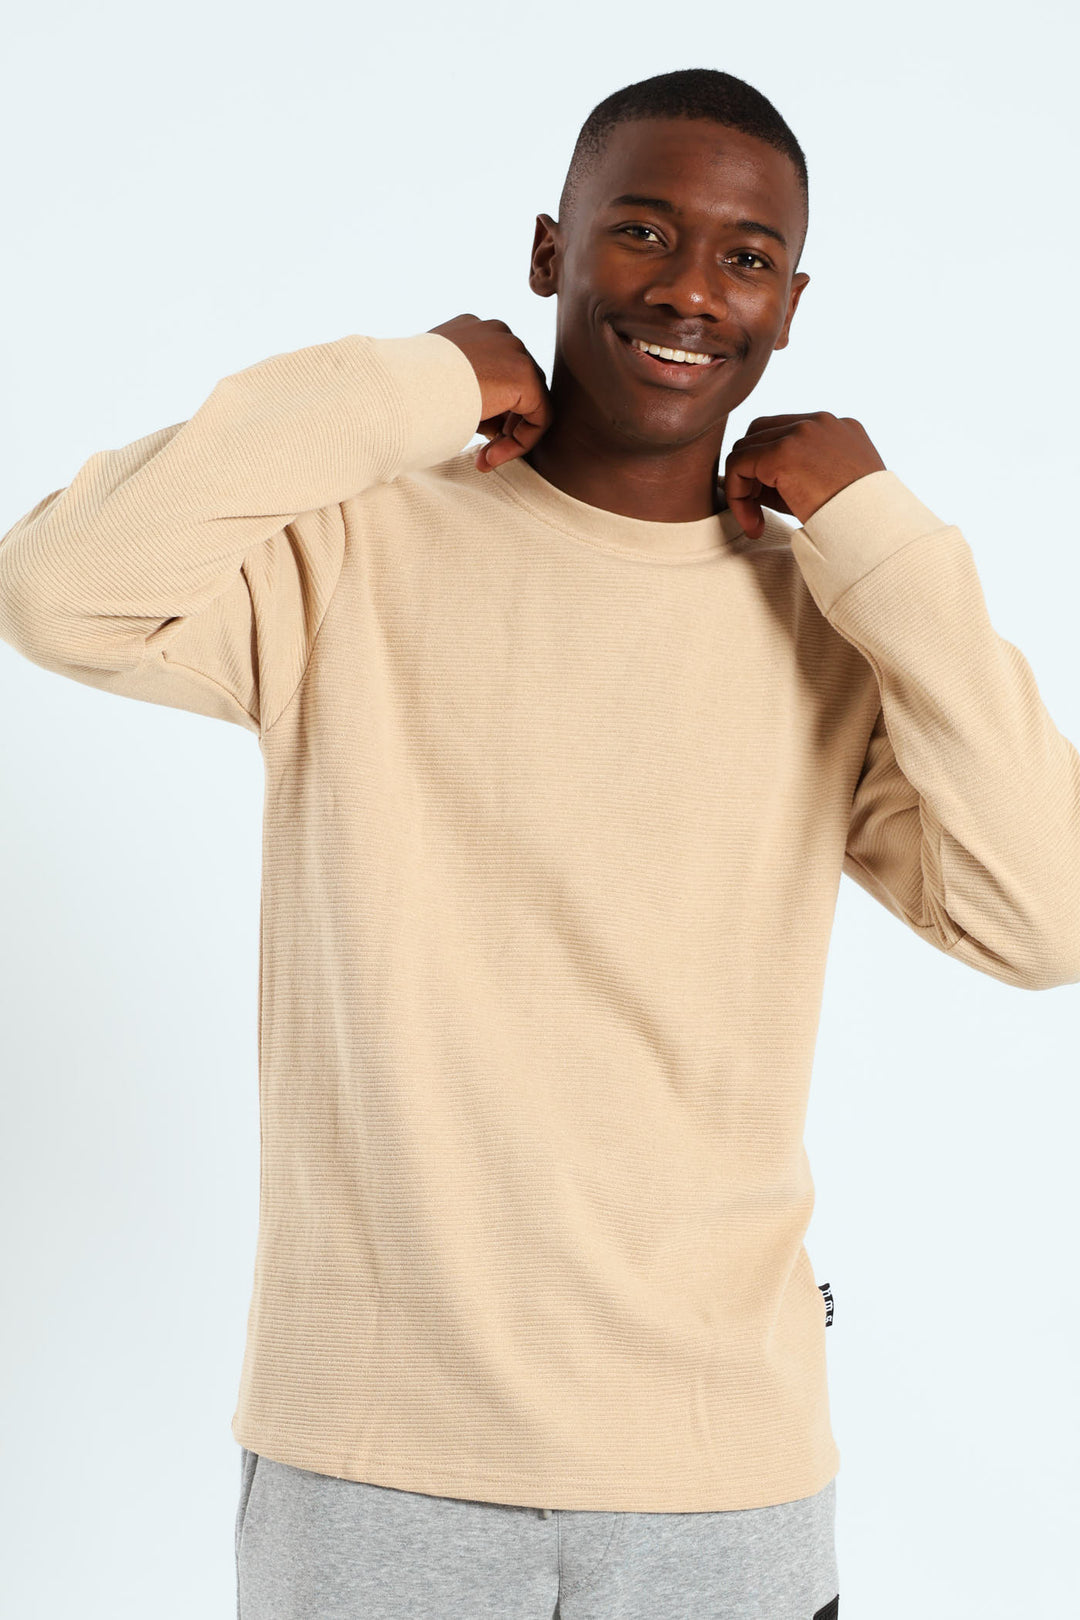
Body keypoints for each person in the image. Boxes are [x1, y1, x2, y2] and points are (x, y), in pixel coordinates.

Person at [2, 65, 1077, 1620]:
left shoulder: (828, 624)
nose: (691, 288)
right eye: (642, 230)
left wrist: (889, 545)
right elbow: (56, 595)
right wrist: (410, 386)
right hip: (377, 1461)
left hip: (720, 1476)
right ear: (548, 251)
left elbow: (1048, 920)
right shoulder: (358, 547)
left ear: (791, 310)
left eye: (748, 257)